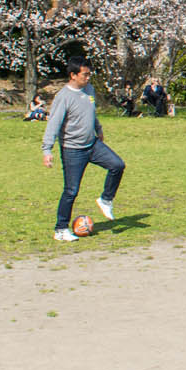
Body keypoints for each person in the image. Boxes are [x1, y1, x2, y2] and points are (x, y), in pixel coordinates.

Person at [41, 56, 124, 242]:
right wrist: (47, 150)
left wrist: (98, 128)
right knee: (71, 191)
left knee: (117, 165)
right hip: (73, 150)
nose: (88, 78)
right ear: (73, 75)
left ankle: (105, 200)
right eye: (85, 75)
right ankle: (61, 229)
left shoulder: (89, 90)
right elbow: (53, 125)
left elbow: (90, 112)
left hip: (92, 144)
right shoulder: (63, 97)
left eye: (89, 75)